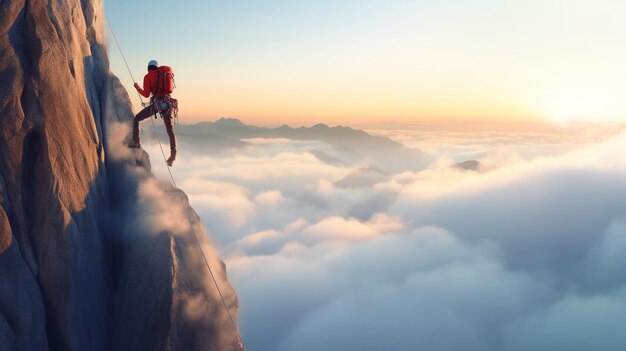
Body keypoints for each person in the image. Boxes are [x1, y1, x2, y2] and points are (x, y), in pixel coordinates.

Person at [129, 59, 177, 167]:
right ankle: (173, 156)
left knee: (137, 118)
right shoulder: (163, 75)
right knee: (170, 131)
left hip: (156, 105)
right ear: (157, 67)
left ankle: (136, 142)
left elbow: (146, 94)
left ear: (148, 68)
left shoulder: (147, 77)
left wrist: (137, 88)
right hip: (167, 103)